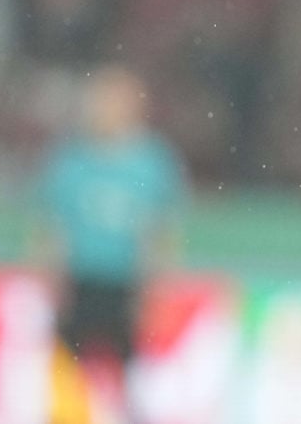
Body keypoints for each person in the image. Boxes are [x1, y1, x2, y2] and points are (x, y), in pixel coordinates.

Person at [32, 64, 188, 420]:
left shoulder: (152, 164)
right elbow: (51, 228)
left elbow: (161, 232)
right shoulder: (70, 161)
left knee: (134, 387)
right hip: (79, 285)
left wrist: (156, 289)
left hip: (127, 288)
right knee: (67, 383)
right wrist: (51, 282)